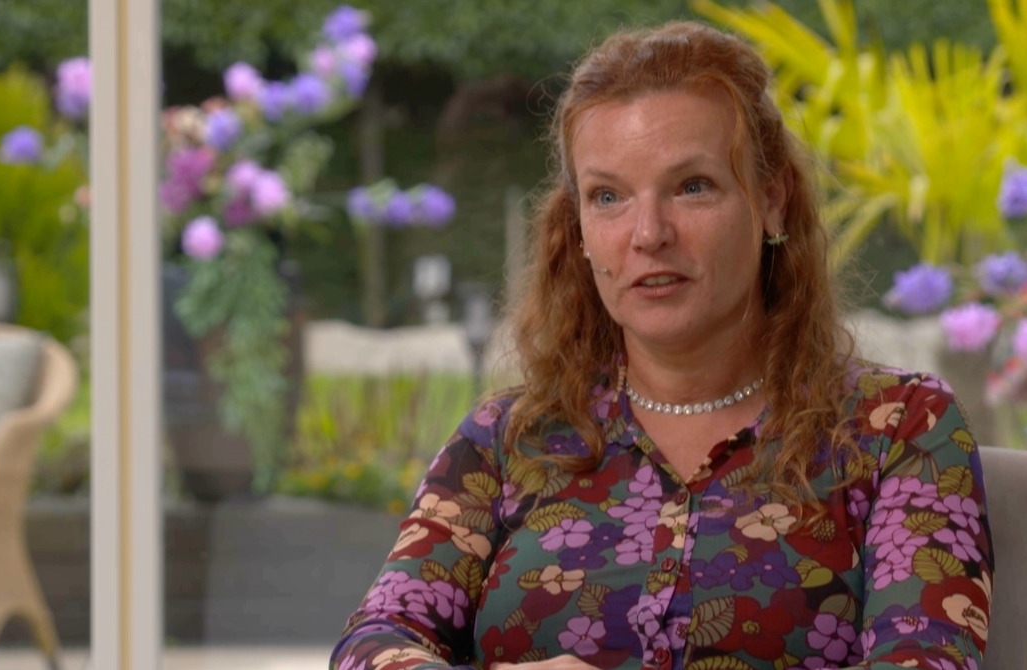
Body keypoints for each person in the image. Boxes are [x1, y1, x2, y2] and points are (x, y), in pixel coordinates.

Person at [331, 21, 992, 670]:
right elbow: (373, 641)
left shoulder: (896, 429)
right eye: (608, 196)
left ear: (772, 200)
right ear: (579, 230)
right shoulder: (506, 440)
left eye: (692, 187)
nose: (648, 233)